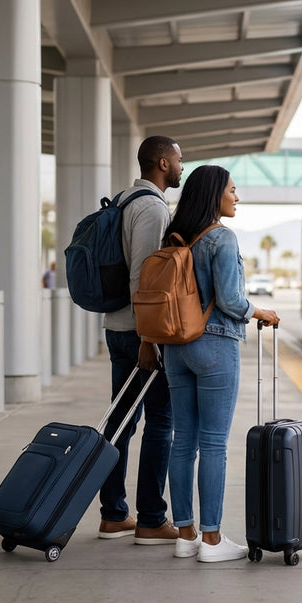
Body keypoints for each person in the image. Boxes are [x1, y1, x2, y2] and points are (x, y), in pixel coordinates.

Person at [160, 165, 279, 562]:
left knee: (183, 443)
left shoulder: (176, 237)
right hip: (215, 345)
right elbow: (230, 301)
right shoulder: (221, 239)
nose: (237, 196)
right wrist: (260, 311)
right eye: (232, 189)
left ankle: (185, 534)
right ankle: (211, 540)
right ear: (215, 195)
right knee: (213, 444)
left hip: (176, 346)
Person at [97, 135, 182, 546]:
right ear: (163, 163)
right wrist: (149, 337)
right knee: (159, 423)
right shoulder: (150, 207)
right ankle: (150, 518)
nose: (182, 167)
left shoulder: (124, 199)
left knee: (121, 422)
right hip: (138, 333)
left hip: (119, 326)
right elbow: (145, 279)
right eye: (179, 160)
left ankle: (114, 514)